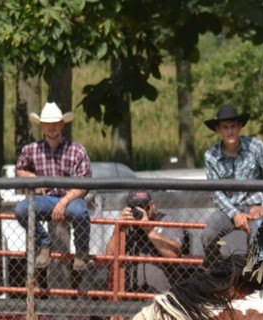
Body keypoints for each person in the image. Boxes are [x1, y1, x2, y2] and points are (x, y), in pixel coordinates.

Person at [13, 102, 93, 271]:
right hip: (47, 198)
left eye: (55, 123)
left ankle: (81, 251)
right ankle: (44, 242)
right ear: (42, 126)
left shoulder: (77, 150)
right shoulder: (31, 150)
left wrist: (63, 202)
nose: (52, 127)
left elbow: (84, 184)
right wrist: (34, 178)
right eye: (48, 124)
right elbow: (20, 170)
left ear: (62, 125)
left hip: (71, 198)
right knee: (21, 209)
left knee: (80, 211)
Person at [202, 104, 263, 254]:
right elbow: (216, 191)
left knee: (259, 236)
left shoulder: (256, 146)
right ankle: (217, 273)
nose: (230, 131)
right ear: (218, 130)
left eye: (233, 126)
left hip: (257, 206)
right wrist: (235, 214)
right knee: (208, 236)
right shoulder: (211, 155)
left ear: (240, 127)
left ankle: (257, 275)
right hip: (227, 209)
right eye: (225, 127)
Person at [104, 190, 187, 294]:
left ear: (152, 206)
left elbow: (173, 255)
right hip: (128, 294)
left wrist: (149, 230)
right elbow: (109, 256)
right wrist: (120, 229)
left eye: (143, 206)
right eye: (133, 207)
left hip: (160, 294)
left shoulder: (166, 221)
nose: (139, 210)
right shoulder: (125, 225)